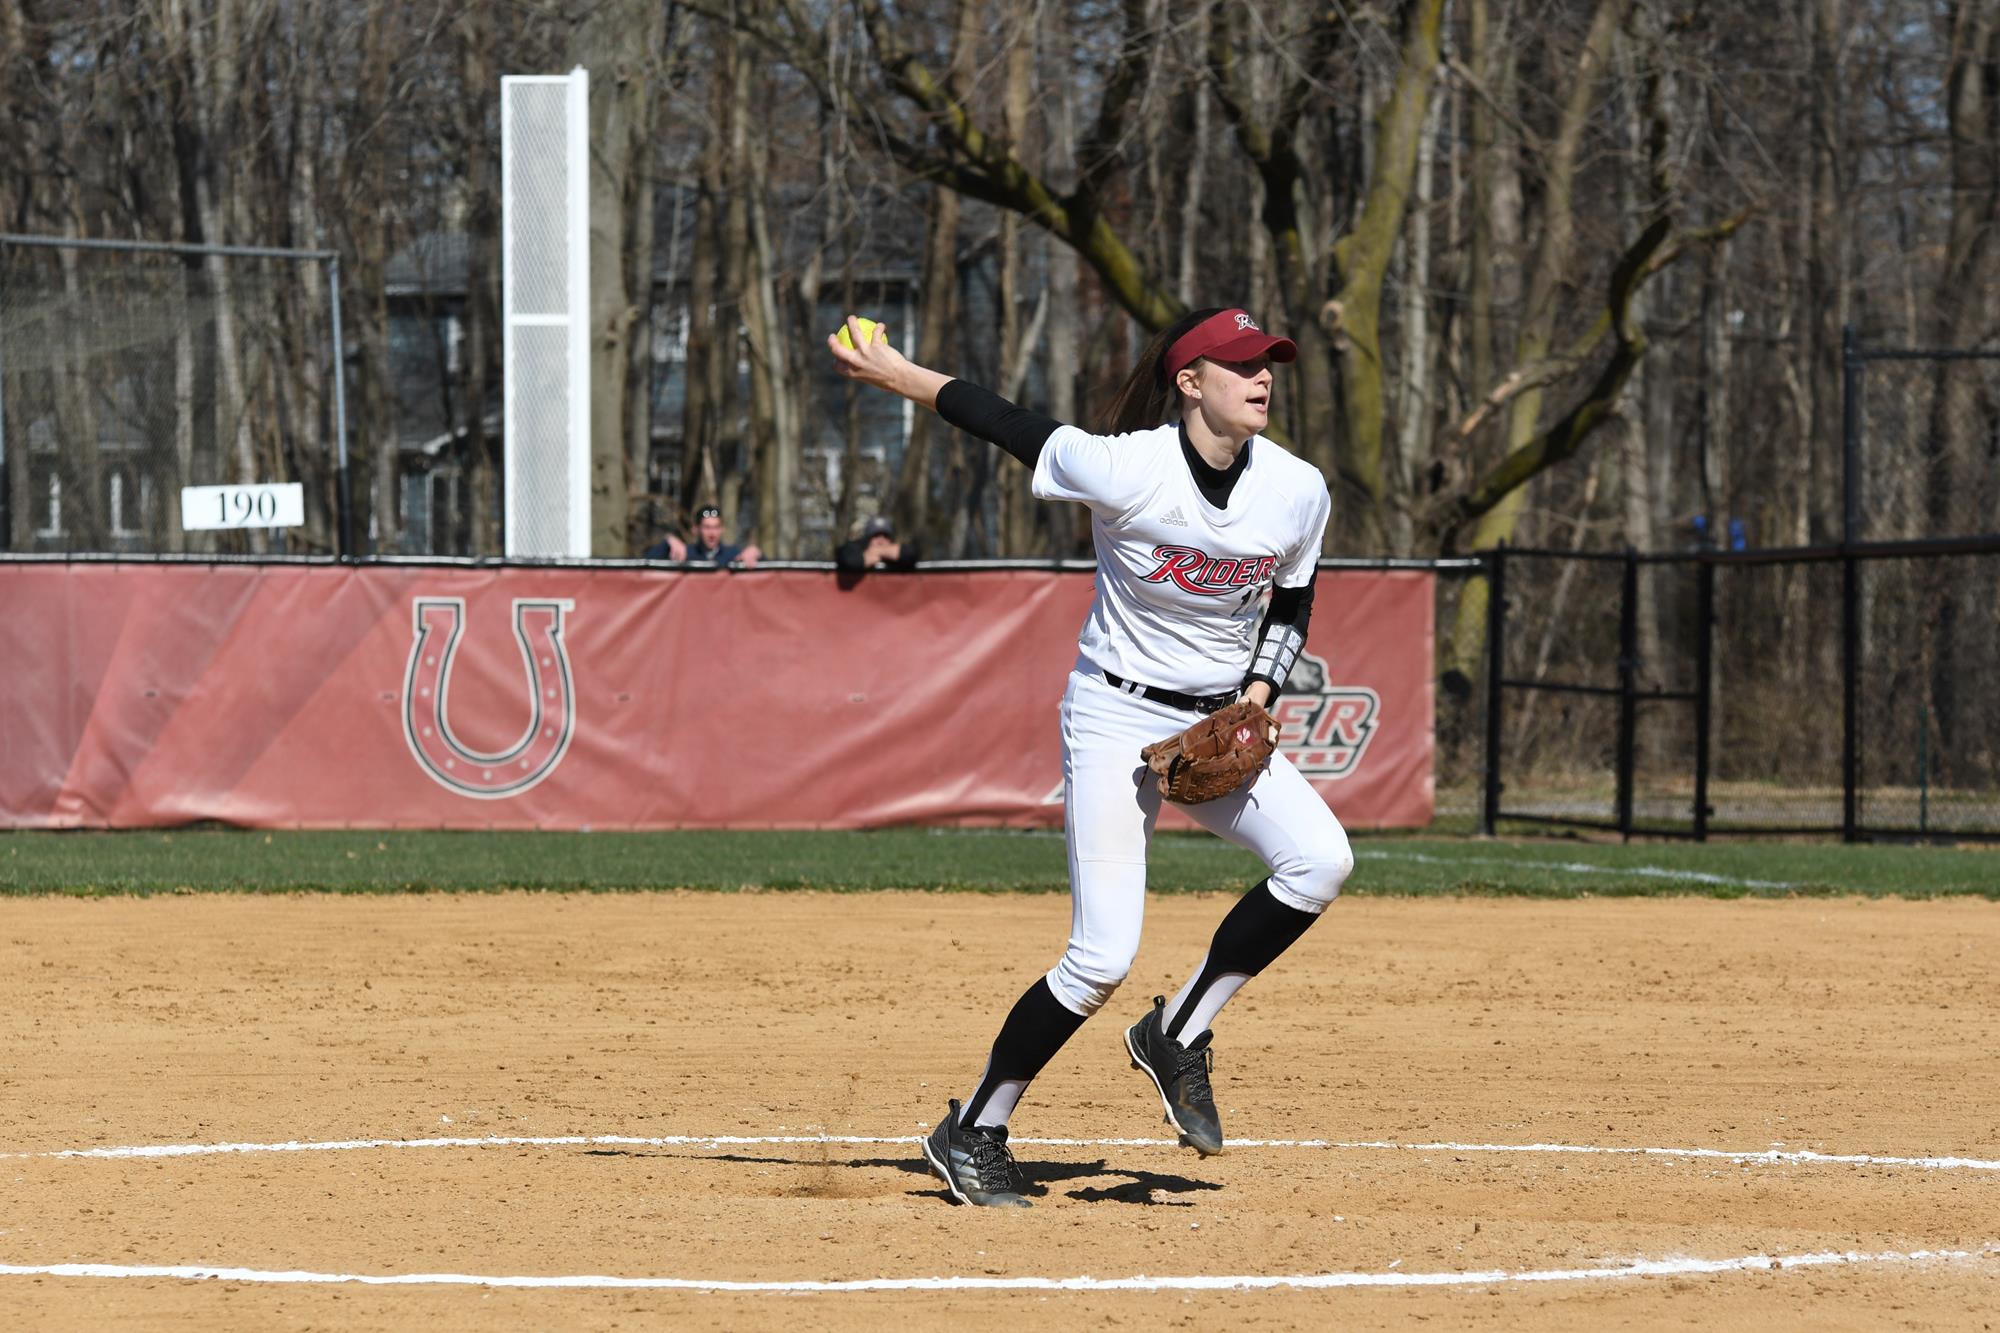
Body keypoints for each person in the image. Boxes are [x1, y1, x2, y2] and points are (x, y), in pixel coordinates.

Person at [827, 308, 1351, 1208]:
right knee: (1102, 956)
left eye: (1269, 362)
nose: (1263, 376)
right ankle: (974, 1127)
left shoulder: (1296, 488)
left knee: (1321, 860)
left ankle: (1176, 1030)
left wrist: (1260, 694)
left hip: (1213, 723)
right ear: (1190, 383)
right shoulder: (1126, 467)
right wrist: (901, 374)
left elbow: (1293, 601)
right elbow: (1008, 424)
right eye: (1240, 364)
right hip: (1113, 714)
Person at [681, 504, 761, 567]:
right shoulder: (685, 554)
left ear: (723, 529)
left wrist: (755, 552)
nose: (712, 534)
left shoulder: (733, 555)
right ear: (695, 529)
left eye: (716, 527)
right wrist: (673, 540)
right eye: (707, 527)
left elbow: (765, 568)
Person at [835, 514, 921, 571]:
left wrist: (878, 552)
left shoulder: (901, 556)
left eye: (885, 536)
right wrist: (864, 560)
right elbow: (847, 559)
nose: (881, 540)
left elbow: (912, 554)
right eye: (876, 536)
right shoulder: (856, 550)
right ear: (867, 539)